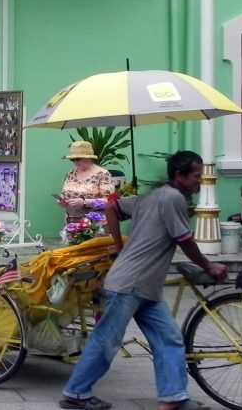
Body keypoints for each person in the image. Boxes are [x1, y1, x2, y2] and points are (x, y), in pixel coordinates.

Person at [59, 150, 227, 410]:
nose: (199, 181)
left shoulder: (153, 196)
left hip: (146, 286)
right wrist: (208, 265)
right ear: (179, 176)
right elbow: (185, 240)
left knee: (169, 339)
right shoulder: (172, 198)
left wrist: (119, 245)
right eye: (195, 176)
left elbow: (112, 206)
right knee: (106, 340)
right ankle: (76, 392)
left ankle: (173, 398)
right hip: (129, 284)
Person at [58, 140, 116, 222]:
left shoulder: (102, 174)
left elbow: (110, 201)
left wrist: (85, 202)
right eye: (72, 160)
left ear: (88, 157)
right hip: (72, 222)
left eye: (77, 159)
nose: (75, 162)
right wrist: (62, 201)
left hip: (95, 224)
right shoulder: (71, 172)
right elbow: (64, 193)